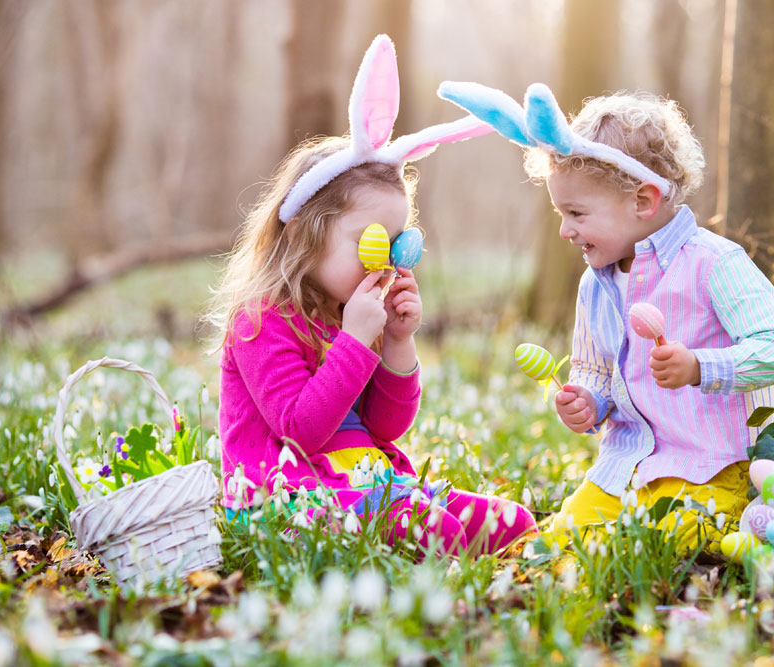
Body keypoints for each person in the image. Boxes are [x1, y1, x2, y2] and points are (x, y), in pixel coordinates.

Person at [206, 36, 536, 557]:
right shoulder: (260, 321)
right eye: (373, 241)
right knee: (441, 534)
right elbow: (301, 431)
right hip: (288, 498)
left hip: (368, 480)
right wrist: (358, 340)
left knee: (511, 522)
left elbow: (385, 427)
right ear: (303, 234)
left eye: (400, 241)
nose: (388, 262)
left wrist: (397, 343)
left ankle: (435, 532)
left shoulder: (350, 309)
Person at [439, 82, 774, 549]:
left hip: (710, 465)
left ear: (643, 202)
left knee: (657, 546)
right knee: (556, 546)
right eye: (560, 214)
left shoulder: (716, 264)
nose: (566, 231)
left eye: (577, 213)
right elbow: (595, 367)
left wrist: (699, 367)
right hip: (624, 465)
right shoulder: (596, 283)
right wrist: (590, 400)